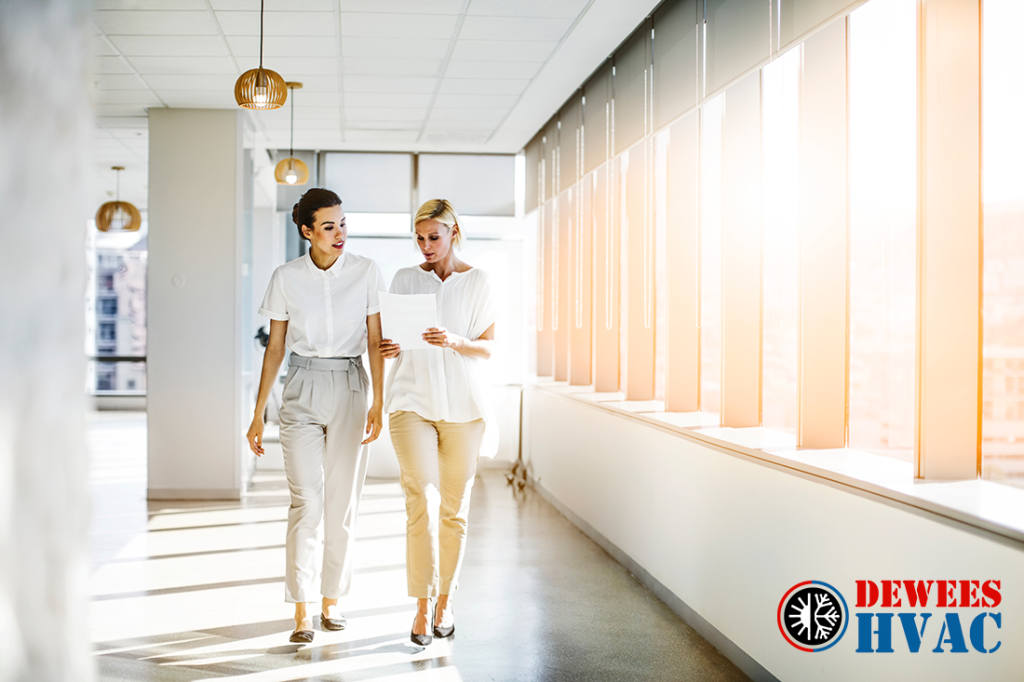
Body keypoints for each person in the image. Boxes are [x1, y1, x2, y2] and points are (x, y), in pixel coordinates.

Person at [246, 188, 386, 644]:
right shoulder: (286, 277)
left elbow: (375, 341)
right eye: (329, 226)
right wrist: (257, 412)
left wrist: (379, 400)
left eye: (343, 223)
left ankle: (332, 600)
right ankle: (302, 609)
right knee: (306, 501)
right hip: (301, 385)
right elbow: (275, 347)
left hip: (351, 384)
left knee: (342, 504)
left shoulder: (366, 271)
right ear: (307, 231)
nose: (340, 233)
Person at [378, 198, 498, 646]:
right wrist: (390, 348)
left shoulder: (478, 281)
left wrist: (454, 341)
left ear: (453, 233)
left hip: (464, 408)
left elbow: (489, 347)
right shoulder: (404, 279)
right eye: (419, 238)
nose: (425, 245)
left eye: (433, 236)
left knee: (454, 511)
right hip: (411, 401)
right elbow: (392, 339)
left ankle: (446, 600)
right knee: (421, 503)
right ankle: (421, 606)